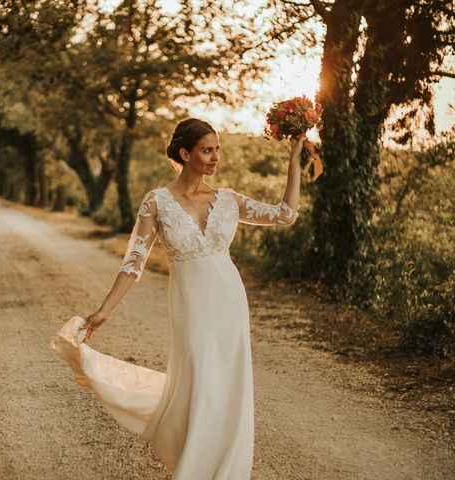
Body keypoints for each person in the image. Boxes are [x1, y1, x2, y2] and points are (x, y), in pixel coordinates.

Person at [50, 117, 303, 479]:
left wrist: (294, 157)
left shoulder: (228, 201)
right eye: (207, 150)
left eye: (218, 149)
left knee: (227, 388)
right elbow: (133, 263)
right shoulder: (157, 202)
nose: (216, 157)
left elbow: (285, 215)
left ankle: (228, 471)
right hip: (191, 308)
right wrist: (105, 309)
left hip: (230, 303)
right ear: (185, 154)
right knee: (199, 381)